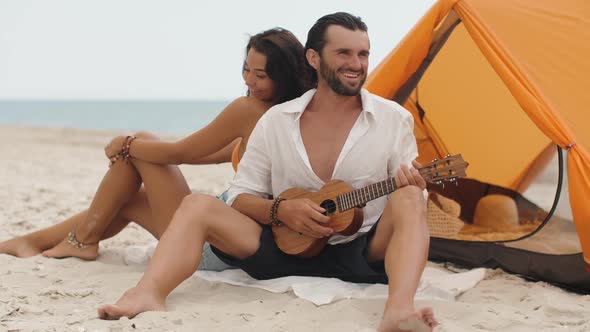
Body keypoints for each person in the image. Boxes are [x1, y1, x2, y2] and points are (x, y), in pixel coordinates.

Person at [97, 13, 439, 331]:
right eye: (344, 53)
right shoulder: (277, 121)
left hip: (359, 250)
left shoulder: (394, 119)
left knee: (410, 195)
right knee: (197, 204)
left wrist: (413, 186)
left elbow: (409, 201)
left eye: (363, 54)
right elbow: (240, 197)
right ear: (314, 59)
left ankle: (397, 311)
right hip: (280, 245)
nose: (356, 64)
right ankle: (148, 293)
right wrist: (281, 210)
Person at [0, 28, 312, 268]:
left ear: (284, 76)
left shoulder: (250, 109)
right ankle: (37, 241)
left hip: (212, 244)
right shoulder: (292, 113)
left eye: (261, 75)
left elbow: (181, 153)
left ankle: (81, 240)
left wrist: (127, 145)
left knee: (141, 143)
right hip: (232, 232)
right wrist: (136, 152)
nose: (250, 81)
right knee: (128, 197)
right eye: (246, 69)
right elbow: (216, 153)